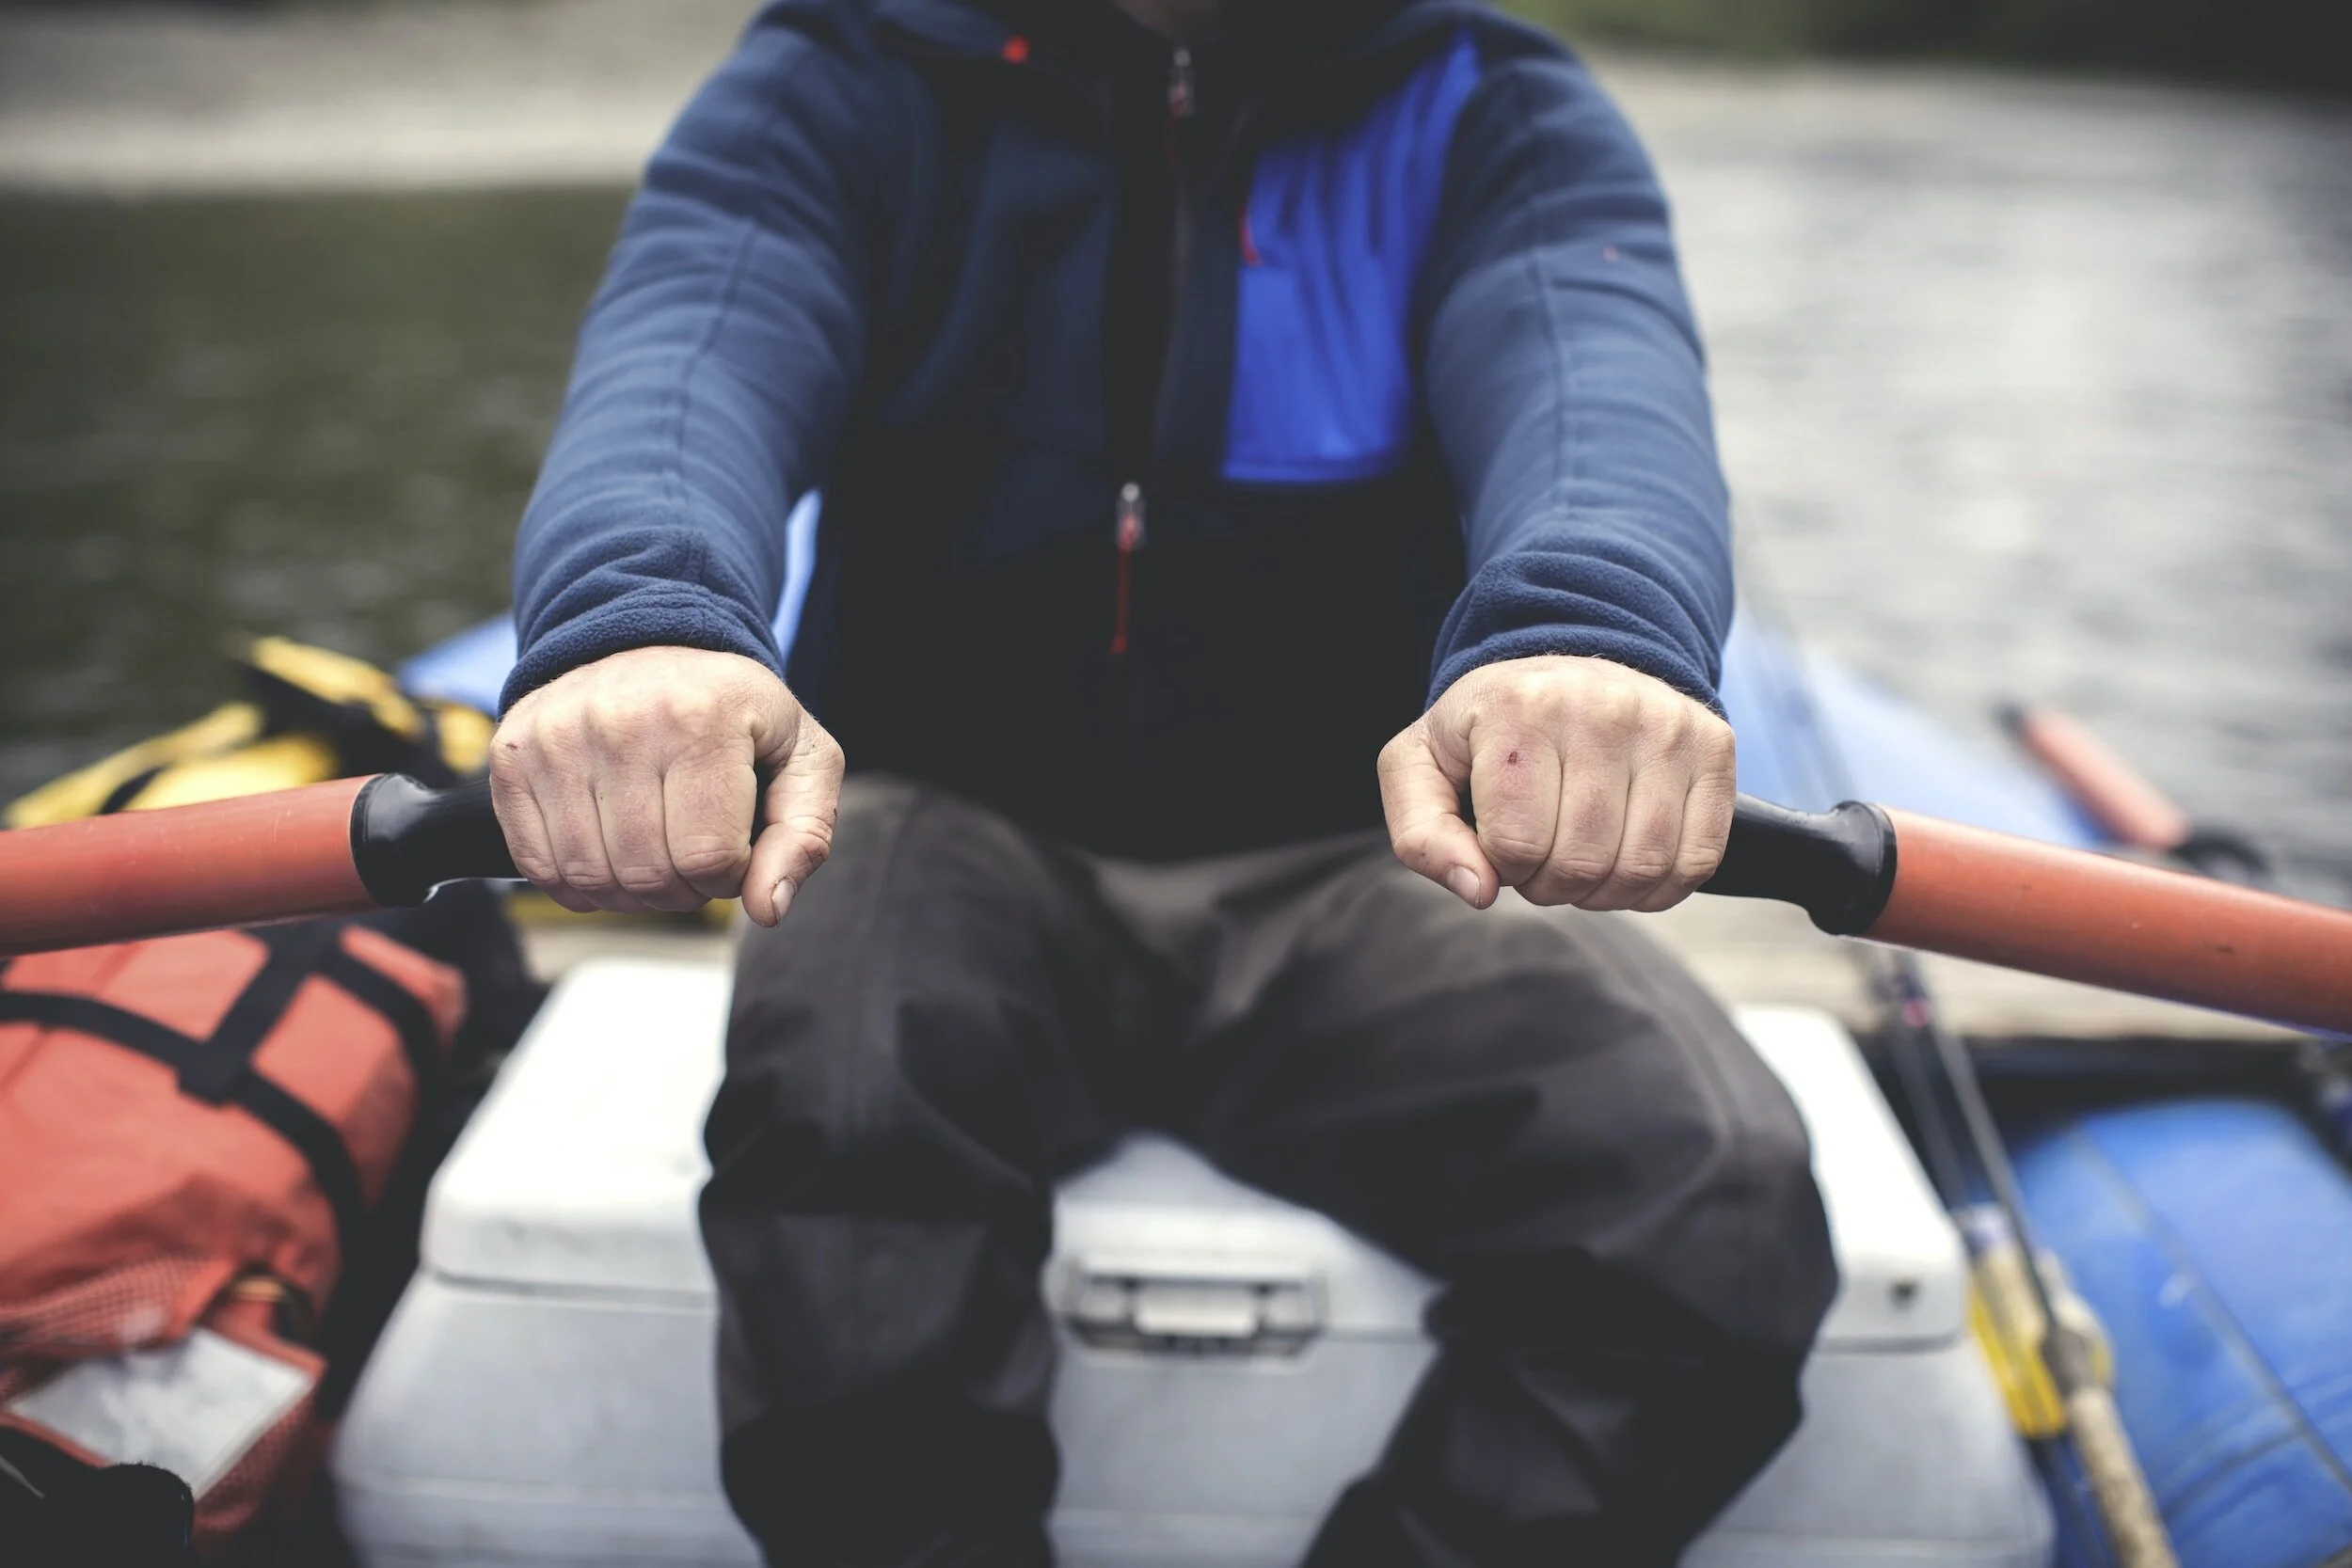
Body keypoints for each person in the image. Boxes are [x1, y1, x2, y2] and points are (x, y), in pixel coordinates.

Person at [489, 0, 1838, 1561]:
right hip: (941, 820)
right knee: (849, 1111)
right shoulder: (845, 71)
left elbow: (1589, 377)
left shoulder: (1490, 106)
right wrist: (643, 617)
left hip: (1361, 857)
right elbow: (693, 350)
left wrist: (1591, 630)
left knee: (1716, 1192)